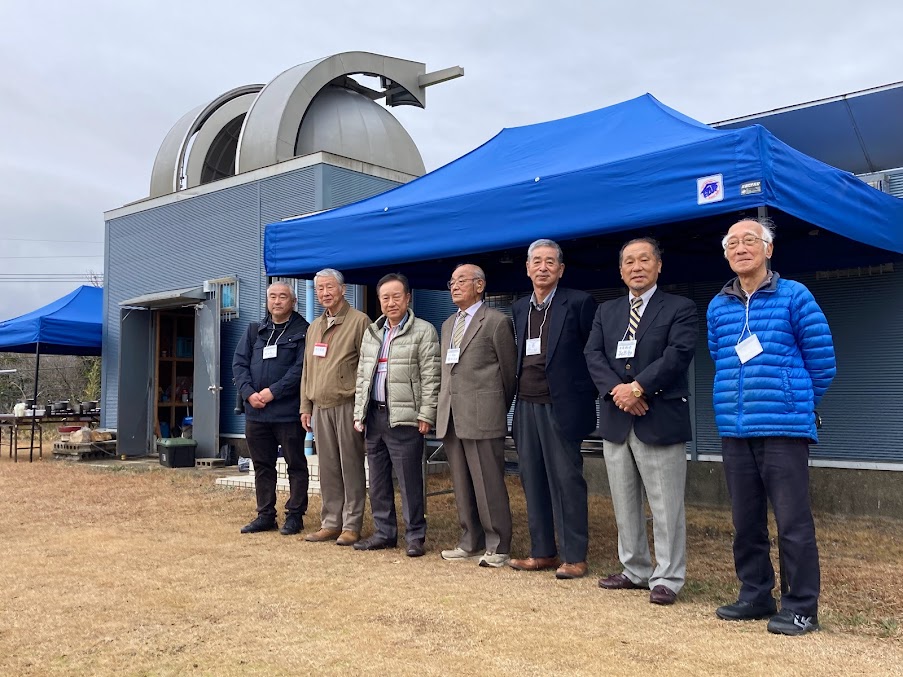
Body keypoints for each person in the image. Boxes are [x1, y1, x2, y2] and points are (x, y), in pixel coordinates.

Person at [707, 217, 836, 636]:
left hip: (784, 428)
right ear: (726, 254)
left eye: (750, 240)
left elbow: (822, 362)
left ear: (769, 249)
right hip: (735, 428)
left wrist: (793, 401)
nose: (741, 248)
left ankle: (801, 607)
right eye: (732, 243)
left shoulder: (795, 295)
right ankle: (755, 594)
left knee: (792, 522)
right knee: (746, 520)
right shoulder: (717, 306)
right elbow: (720, 357)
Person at [584, 237, 698, 605]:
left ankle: (668, 577)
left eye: (644, 259)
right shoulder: (607, 311)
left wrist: (638, 388)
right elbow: (593, 354)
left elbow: (678, 354)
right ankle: (634, 569)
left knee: (666, 505)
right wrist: (618, 392)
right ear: (621, 270)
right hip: (617, 418)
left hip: (658, 416)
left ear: (658, 266)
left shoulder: (680, 307)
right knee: (624, 501)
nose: (637, 267)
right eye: (629, 261)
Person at [509, 239, 597, 579]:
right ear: (527, 268)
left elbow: (594, 353)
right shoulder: (520, 307)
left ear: (561, 269)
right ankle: (542, 551)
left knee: (566, 481)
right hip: (525, 404)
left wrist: (583, 395)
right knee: (532, 479)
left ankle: (575, 556)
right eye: (537, 261)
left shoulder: (579, 302)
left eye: (550, 262)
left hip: (561, 405)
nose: (543, 267)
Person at [352, 273, 440, 557]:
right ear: (379, 301)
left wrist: (426, 414)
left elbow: (431, 377)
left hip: (405, 417)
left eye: (396, 296)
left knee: (409, 480)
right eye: (385, 298)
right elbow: (362, 376)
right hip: (374, 416)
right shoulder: (372, 332)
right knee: (378, 480)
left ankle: (415, 536)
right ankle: (384, 533)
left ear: (408, 298)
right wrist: (359, 413)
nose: (391, 303)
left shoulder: (423, 331)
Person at [436, 264, 517, 568]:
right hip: (452, 414)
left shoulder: (496, 321)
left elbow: (508, 374)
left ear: (480, 285)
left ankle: (498, 544)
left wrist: (493, 406)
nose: (454, 286)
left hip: (483, 414)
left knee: (488, 483)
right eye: (452, 282)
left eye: (461, 281)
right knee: (461, 482)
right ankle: (470, 540)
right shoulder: (448, 324)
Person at [233, 281, 310, 535]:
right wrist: (248, 393)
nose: (277, 301)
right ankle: (265, 515)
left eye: (283, 297)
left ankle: (295, 516)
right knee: (262, 465)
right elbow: (239, 364)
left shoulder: (304, 331)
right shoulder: (255, 330)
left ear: (293, 301)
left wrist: (272, 392)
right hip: (256, 412)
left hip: (287, 412)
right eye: (272, 297)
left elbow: (301, 369)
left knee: (295, 464)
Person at [300, 269, 371, 547]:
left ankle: (351, 525)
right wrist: (305, 406)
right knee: (328, 468)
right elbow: (307, 369)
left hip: (347, 404)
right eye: (319, 289)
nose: (324, 293)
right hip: (320, 406)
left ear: (343, 289)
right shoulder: (314, 327)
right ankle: (331, 522)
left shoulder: (359, 321)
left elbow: (367, 368)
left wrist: (361, 409)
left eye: (329, 287)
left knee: (350, 466)